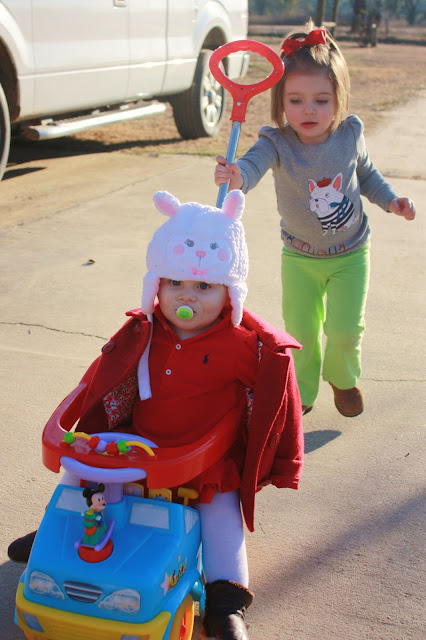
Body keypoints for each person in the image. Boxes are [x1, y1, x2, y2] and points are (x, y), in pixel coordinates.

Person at [8, 189, 304, 640]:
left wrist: (271, 370)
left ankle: (226, 601)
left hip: (202, 458)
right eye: (175, 283)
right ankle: (57, 534)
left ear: (229, 292)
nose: (188, 296)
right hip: (138, 442)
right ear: (156, 287)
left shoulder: (240, 345)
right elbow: (106, 375)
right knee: (80, 468)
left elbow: (270, 389)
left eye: (204, 286)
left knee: (220, 511)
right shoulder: (144, 331)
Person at [214, 22, 416, 418]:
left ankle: (342, 378)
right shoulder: (276, 142)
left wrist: (391, 201)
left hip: (350, 255)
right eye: (296, 100)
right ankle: (302, 390)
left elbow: (366, 175)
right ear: (281, 102)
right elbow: (251, 167)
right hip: (300, 258)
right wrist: (236, 175)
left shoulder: (349, 134)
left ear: (339, 99)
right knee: (301, 330)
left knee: (345, 329)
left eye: (321, 100)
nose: (309, 110)